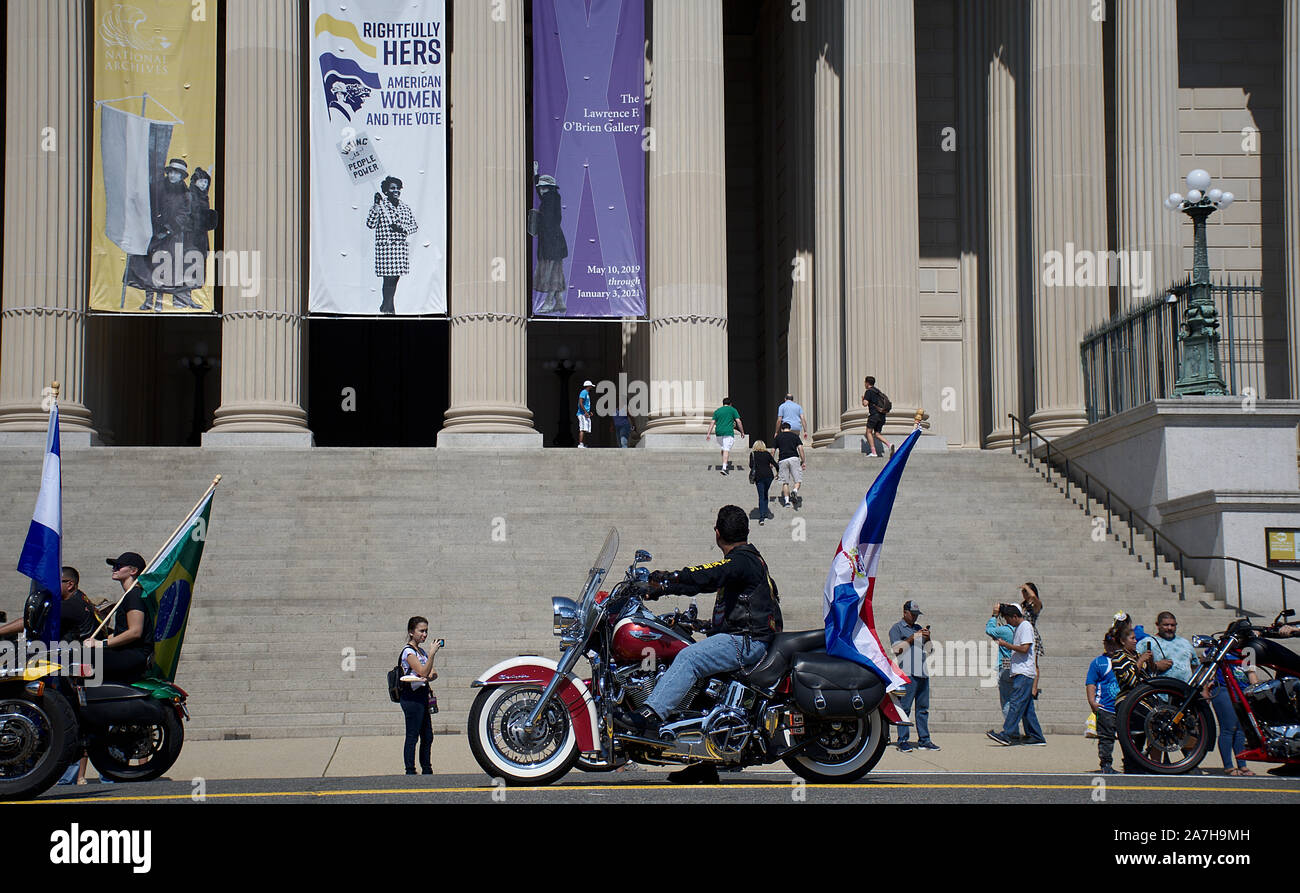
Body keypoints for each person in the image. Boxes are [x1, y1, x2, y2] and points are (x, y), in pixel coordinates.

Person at [613, 505, 782, 784]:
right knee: (693, 668)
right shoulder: (747, 561)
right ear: (746, 530)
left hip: (747, 642)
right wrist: (698, 625)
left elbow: (706, 576)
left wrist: (664, 583)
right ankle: (703, 763)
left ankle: (649, 717)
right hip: (744, 637)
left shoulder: (740, 561)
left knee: (690, 659)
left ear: (717, 533)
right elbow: (739, 608)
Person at [82, 552, 154, 683]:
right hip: (128, 653)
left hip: (134, 655)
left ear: (133, 571)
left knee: (75, 658)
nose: (114, 569)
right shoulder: (131, 595)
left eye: (119, 566)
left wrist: (101, 644)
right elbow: (122, 631)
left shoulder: (134, 595)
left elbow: (135, 632)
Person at [986, 603, 1046, 746]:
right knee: (1026, 707)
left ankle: (1008, 734)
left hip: (1024, 672)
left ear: (1014, 616)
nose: (1007, 622)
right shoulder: (1020, 627)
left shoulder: (1025, 626)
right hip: (1021, 671)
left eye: (1008, 619)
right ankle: (1036, 736)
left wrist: (1005, 644)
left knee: (1016, 703)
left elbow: (1025, 648)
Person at [140, 158, 193, 311]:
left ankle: (159, 302)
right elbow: (146, 203)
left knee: (164, 268)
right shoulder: (156, 187)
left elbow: (185, 214)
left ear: (182, 176)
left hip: (172, 236)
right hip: (153, 233)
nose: (172, 175)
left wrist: (169, 229)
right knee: (149, 266)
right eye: (171, 172)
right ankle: (149, 300)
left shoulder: (186, 194)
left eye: (176, 173)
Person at [1201, 644, 1257, 777]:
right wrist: (1205, 688)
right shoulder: (1217, 649)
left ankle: (1242, 765)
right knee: (1228, 727)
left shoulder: (1247, 650)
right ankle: (1228, 766)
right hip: (1224, 688)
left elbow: (1251, 673)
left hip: (1243, 690)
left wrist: (1256, 690)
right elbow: (1206, 669)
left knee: (1240, 730)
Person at [890, 600, 938, 752]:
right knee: (905, 708)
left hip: (922, 673)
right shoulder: (896, 628)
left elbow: (930, 650)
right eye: (913, 614)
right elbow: (897, 650)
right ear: (905, 612)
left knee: (923, 709)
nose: (915, 617)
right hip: (908, 674)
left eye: (917, 615)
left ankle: (924, 740)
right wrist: (913, 638)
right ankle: (903, 740)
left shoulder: (918, 628)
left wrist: (927, 638)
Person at [366, 175, 419, 314]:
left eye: (398, 188)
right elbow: (370, 224)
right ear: (386, 191)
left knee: (394, 280)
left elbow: (414, 226)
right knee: (388, 280)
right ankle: (389, 308)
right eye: (392, 188)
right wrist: (376, 205)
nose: (396, 191)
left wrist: (402, 229)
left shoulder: (405, 208)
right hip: (386, 249)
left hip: (400, 250)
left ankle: (386, 305)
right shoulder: (381, 206)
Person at [398, 616, 441, 775]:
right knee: (412, 734)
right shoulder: (408, 652)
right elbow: (423, 671)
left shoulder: (420, 652)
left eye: (426, 631)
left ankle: (427, 768)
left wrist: (428, 671)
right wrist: (431, 655)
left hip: (422, 694)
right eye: (421, 631)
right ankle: (410, 770)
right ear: (411, 632)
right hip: (411, 696)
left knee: (427, 735)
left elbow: (433, 673)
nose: (425, 634)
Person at [175, 166, 217, 309]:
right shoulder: (191, 195)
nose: (204, 185)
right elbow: (188, 215)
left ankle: (186, 298)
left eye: (206, 182)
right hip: (190, 238)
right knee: (188, 266)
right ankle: (181, 299)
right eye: (202, 182)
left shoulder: (202, 196)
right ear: (195, 182)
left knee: (195, 268)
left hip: (199, 238)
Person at [1086, 631, 1124, 774]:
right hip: (1106, 707)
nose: (1111, 648)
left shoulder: (1124, 661)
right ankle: (1106, 764)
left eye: (1114, 645)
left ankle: (1129, 762)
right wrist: (1092, 701)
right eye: (1109, 644)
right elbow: (1091, 683)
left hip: (1123, 706)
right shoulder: (1098, 662)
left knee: (1127, 738)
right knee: (1106, 738)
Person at [532, 173, 568, 314]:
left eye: (543, 188)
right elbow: (542, 197)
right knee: (556, 272)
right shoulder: (551, 198)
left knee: (551, 273)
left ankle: (548, 302)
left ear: (549, 188)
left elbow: (547, 222)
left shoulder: (550, 199)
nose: (541, 190)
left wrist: (538, 222)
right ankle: (559, 302)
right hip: (554, 243)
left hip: (551, 244)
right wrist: (536, 176)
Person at [1137, 612, 1195, 683]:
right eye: (1166, 625)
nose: (1169, 628)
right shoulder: (1146, 643)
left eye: (1172, 625)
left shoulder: (1185, 643)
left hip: (1185, 690)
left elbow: (1195, 667)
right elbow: (1134, 666)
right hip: (1159, 691)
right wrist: (1155, 666)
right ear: (1157, 625)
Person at [985, 607, 1016, 732]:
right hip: (1017, 665)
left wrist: (994, 615)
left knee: (1006, 699)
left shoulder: (1005, 630)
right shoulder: (1020, 629)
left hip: (1006, 663)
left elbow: (989, 630)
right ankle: (1015, 729)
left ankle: (1011, 730)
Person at [706, 397, 744, 475]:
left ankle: (724, 462)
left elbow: (712, 422)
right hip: (728, 432)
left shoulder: (717, 411)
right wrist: (742, 432)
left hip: (718, 433)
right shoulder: (732, 410)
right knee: (726, 449)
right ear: (730, 404)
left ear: (723, 404)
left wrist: (708, 433)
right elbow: (738, 421)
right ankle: (724, 468)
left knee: (724, 448)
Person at [1020, 583, 1044, 699]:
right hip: (1021, 634)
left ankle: (1034, 689)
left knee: (1034, 662)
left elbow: (1034, 597)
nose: (1024, 594)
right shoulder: (1023, 605)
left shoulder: (1035, 604)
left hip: (1031, 634)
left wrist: (1027, 587)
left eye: (1025, 591)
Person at [772, 421, 804, 507]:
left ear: (782, 429)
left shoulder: (778, 437)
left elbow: (773, 450)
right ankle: (795, 491)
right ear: (789, 429)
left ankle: (786, 502)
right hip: (794, 458)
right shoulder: (795, 436)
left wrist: (771, 461)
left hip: (783, 460)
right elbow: (800, 448)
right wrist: (803, 460)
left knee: (785, 482)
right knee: (797, 480)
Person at [861, 376, 893, 458]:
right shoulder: (878, 392)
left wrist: (863, 399)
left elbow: (865, 404)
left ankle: (873, 452)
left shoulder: (869, 391)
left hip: (874, 415)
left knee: (868, 432)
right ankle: (889, 445)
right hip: (882, 415)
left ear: (867, 383)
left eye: (865, 382)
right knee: (877, 434)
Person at [749, 440, 777, 525]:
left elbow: (751, 465)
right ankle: (765, 512)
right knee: (765, 493)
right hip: (769, 476)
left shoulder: (753, 454)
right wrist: (778, 473)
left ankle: (761, 517)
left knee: (761, 496)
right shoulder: (767, 454)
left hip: (759, 477)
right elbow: (775, 464)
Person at [576, 379, 594, 448]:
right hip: (582, 414)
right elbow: (580, 402)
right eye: (591, 386)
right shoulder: (584, 392)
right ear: (588, 386)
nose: (591, 387)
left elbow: (585, 404)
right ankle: (580, 444)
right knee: (582, 429)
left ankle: (584, 444)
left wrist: (589, 412)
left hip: (585, 413)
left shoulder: (586, 393)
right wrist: (585, 412)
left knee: (586, 429)